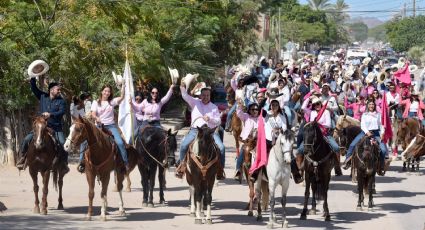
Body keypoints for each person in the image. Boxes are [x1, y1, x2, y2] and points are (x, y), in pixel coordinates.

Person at [16, 78, 69, 173]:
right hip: (41, 126)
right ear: (51, 90)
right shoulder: (43, 96)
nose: (59, 91)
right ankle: (23, 158)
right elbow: (34, 88)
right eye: (58, 89)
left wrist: (50, 114)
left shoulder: (61, 101)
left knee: (62, 143)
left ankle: (64, 163)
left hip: (55, 127)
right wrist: (32, 77)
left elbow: (61, 112)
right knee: (27, 139)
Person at [175, 85, 225, 180]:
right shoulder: (195, 102)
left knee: (221, 148)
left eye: (207, 95)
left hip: (211, 132)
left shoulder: (214, 107)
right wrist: (182, 86)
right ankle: (182, 167)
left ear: (210, 96)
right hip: (196, 131)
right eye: (204, 95)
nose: (205, 97)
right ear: (200, 96)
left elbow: (218, 121)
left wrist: (210, 119)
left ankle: (220, 170)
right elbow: (185, 96)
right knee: (184, 145)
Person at [89, 84, 130, 172]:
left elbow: (122, 97)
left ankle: (125, 163)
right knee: (86, 141)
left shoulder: (112, 102)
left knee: (120, 143)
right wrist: (96, 118)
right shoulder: (96, 102)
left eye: (108, 91)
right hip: (99, 127)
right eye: (105, 91)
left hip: (111, 126)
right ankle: (83, 162)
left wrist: (122, 87)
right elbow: (93, 114)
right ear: (101, 91)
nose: (107, 93)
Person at [343, 100, 389, 175]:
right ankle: (347, 161)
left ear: (375, 106)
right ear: (367, 105)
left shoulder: (378, 114)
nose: (371, 106)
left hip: (376, 133)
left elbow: (381, 125)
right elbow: (363, 125)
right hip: (364, 132)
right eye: (370, 104)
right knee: (352, 145)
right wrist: (367, 132)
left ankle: (381, 166)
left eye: (372, 104)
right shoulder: (364, 114)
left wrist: (382, 133)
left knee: (383, 150)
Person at [233, 102, 259, 181]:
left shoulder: (261, 118)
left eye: (256, 109)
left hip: (257, 141)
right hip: (246, 141)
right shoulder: (246, 116)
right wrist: (239, 106)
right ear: (249, 110)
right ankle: (238, 170)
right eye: (252, 109)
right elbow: (239, 113)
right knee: (242, 152)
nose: (254, 111)